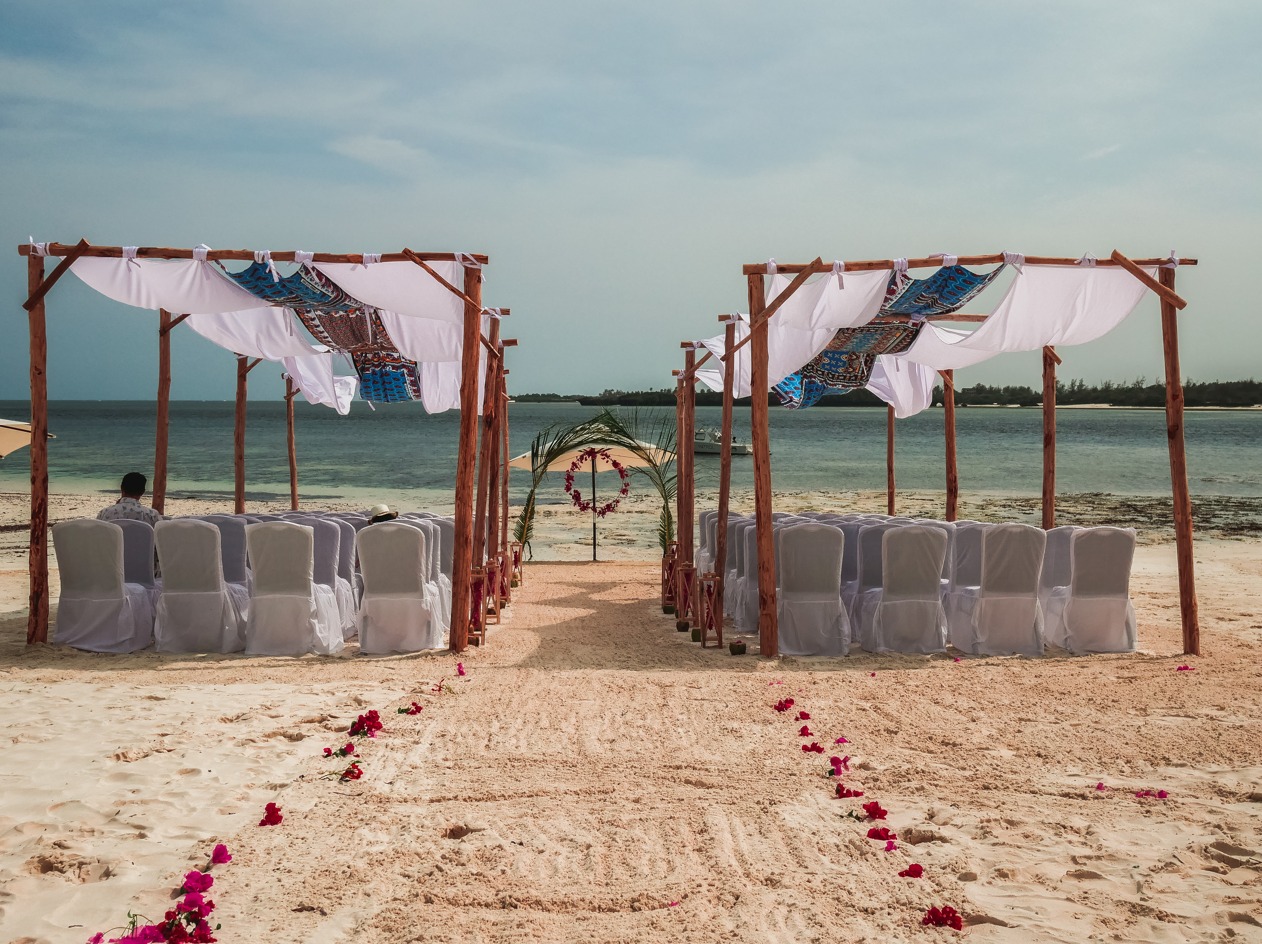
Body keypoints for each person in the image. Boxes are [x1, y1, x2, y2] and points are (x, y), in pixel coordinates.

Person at [98, 472, 164, 526]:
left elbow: (96, 534)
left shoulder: (104, 512)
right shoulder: (151, 515)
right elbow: (163, 535)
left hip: (113, 542)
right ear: (142, 492)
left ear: (121, 488)